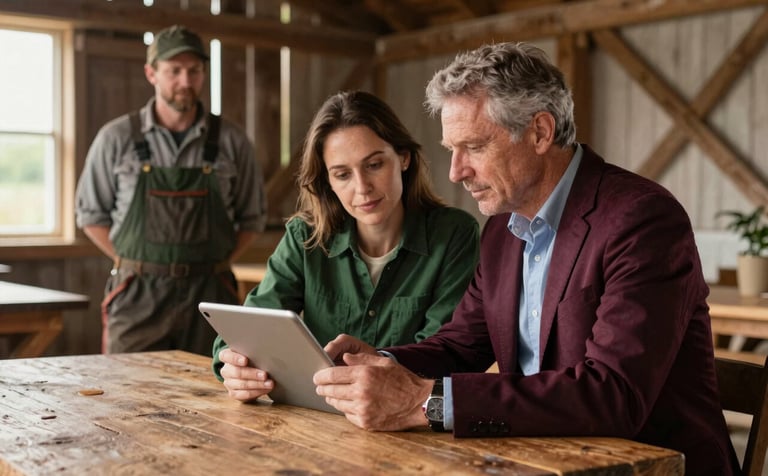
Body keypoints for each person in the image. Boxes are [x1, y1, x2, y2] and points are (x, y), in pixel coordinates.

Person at [312, 43, 740, 475]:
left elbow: (613, 395)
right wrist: (379, 366)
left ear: (539, 132)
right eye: (451, 149)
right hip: (541, 461)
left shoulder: (642, 219)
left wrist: (425, 403)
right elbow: (462, 346)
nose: (456, 172)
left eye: (474, 147)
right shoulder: (503, 229)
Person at [212, 90, 479, 399]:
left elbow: (445, 353)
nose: (362, 188)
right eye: (342, 174)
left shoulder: (454, 234)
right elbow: (245, 331)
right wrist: (234, 367)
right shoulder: (305, 237)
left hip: (408, 424)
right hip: (314, 420)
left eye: (375, 165)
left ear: (403, 158)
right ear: (327, 181)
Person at [75, 25, 266, 355]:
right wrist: (133, 261)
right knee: (125, 394)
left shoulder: (232, 141)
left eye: (194, 71)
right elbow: (90, 215)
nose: (185, 81)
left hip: (210, 294)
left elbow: (252, 219)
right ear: (152, 73)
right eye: (174, 71)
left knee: (214, 395)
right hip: (138, 294)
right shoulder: (116, 138)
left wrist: (213, 263)